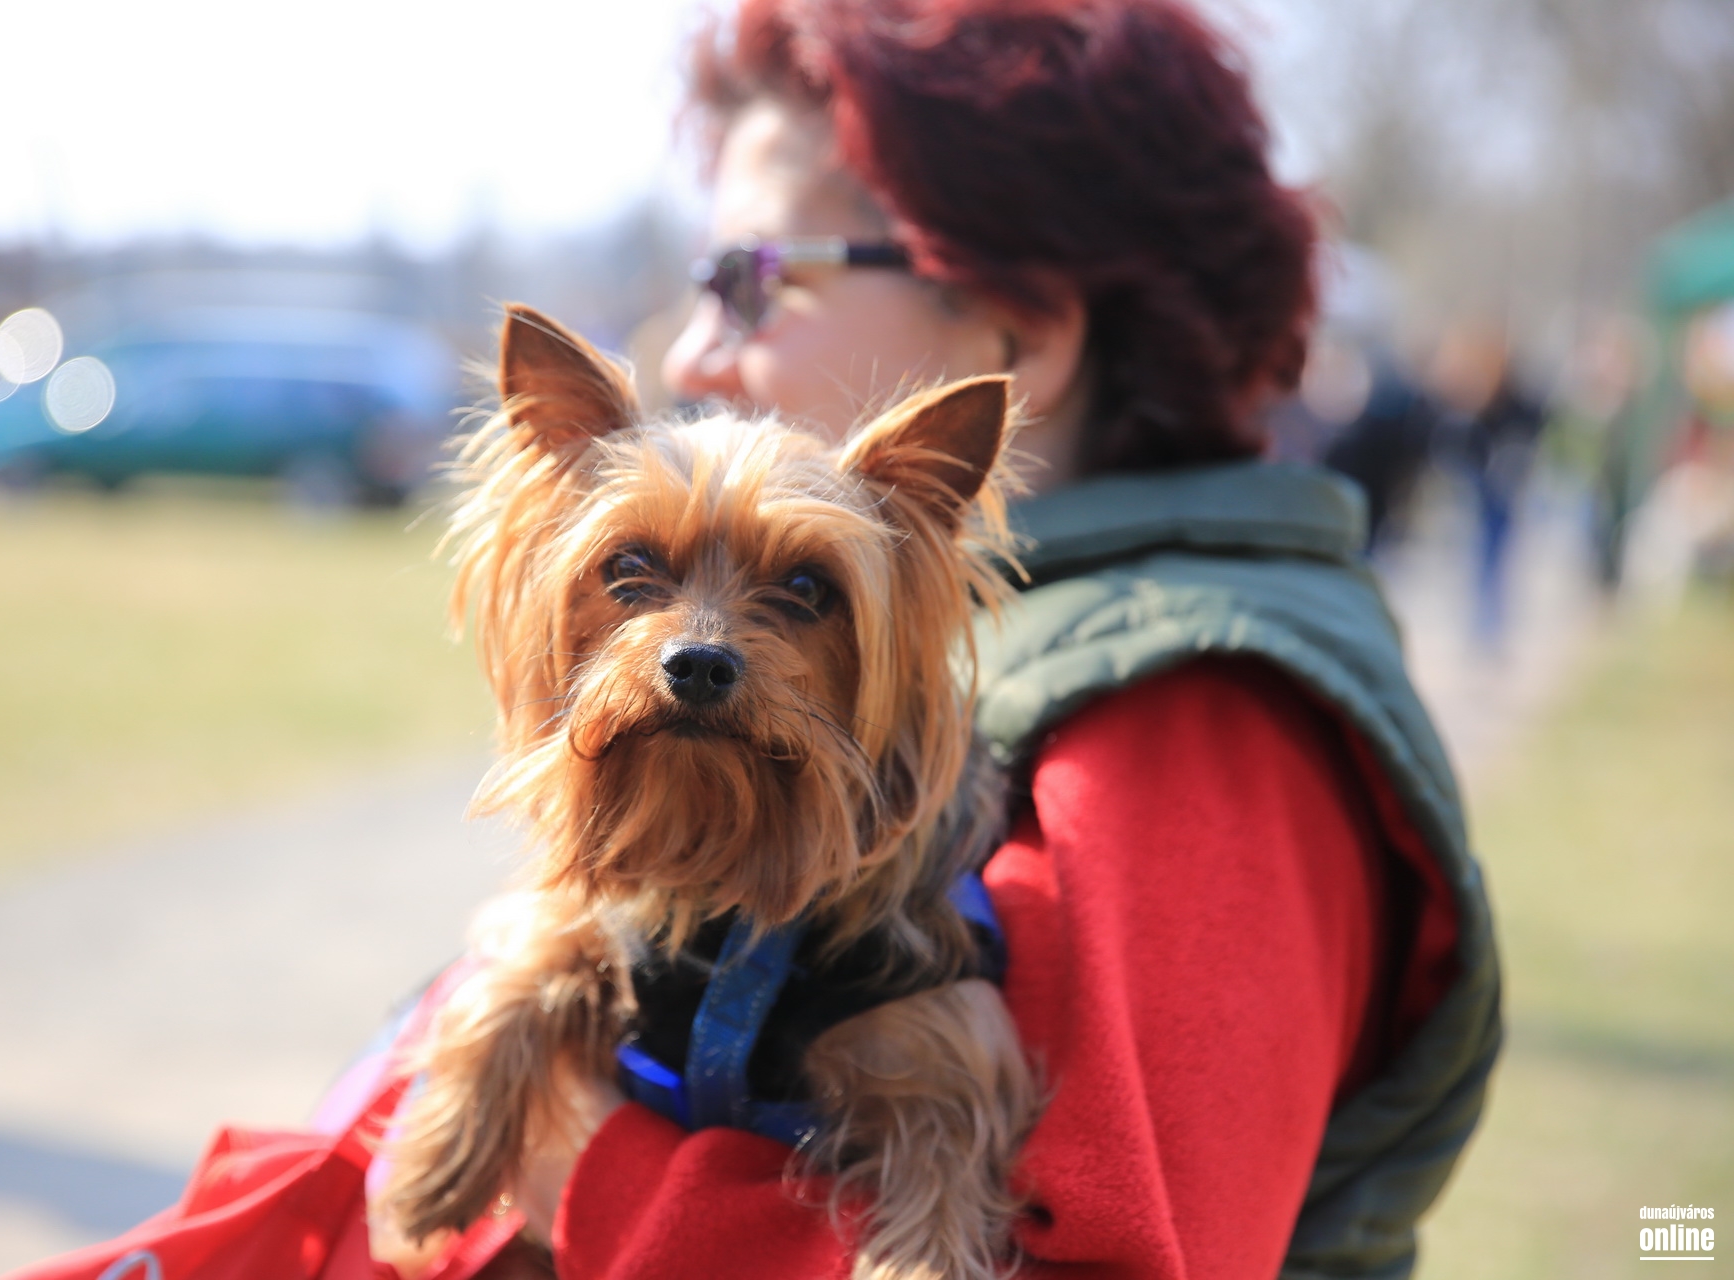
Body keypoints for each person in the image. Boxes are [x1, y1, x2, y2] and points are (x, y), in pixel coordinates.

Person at [450, 2, 1502, 1277]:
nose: (697, 353)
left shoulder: (1195, 727)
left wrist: (576, 1177)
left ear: (1027, 328)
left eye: (754, 278)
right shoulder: (1057, 631)